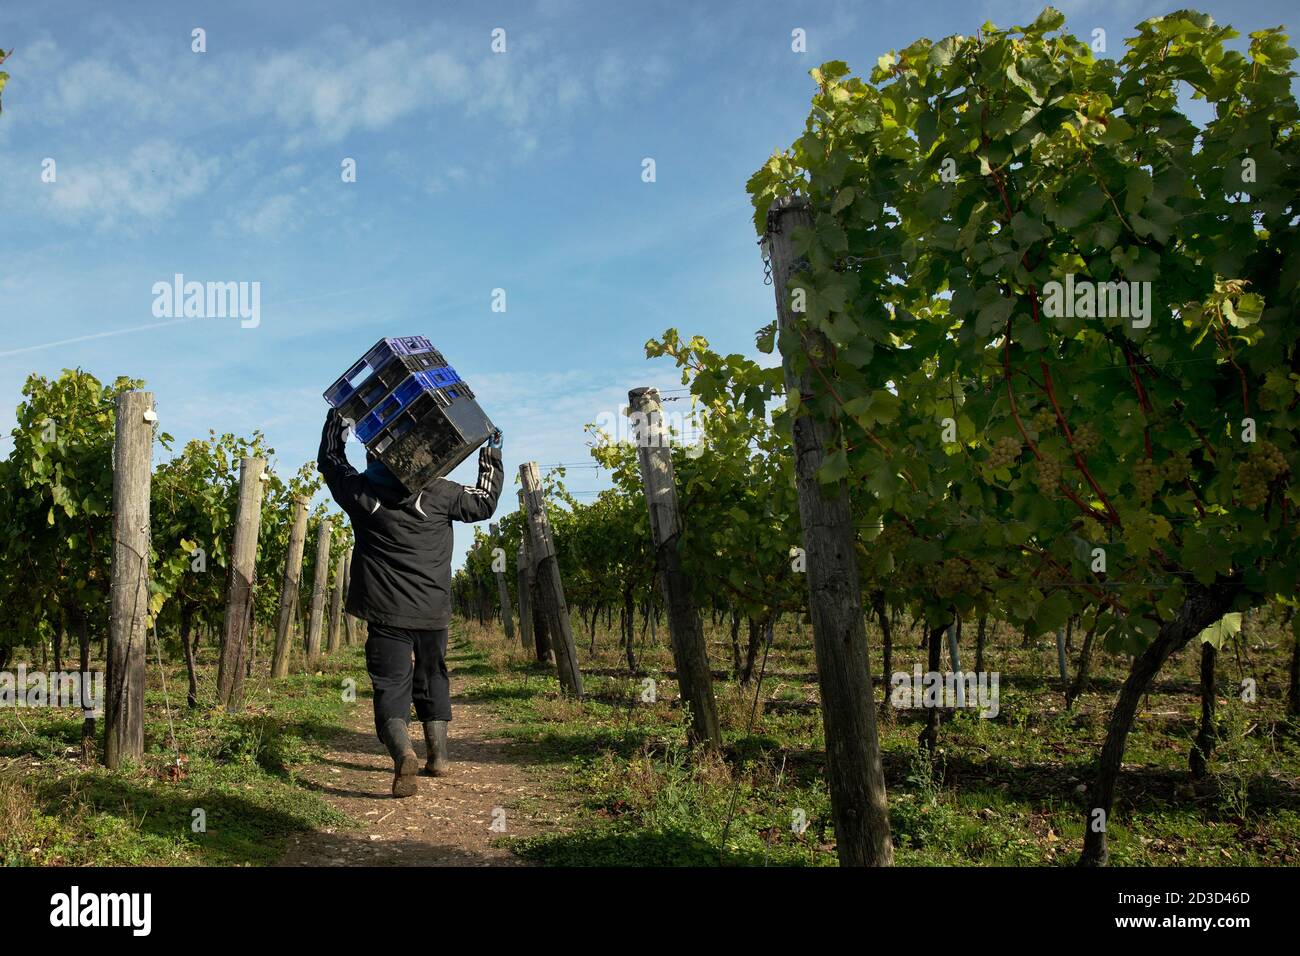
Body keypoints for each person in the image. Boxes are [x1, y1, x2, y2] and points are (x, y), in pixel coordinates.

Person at [317, 407, 503, 797]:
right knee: (433, 675)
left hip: (386, 613)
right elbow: (485, 501)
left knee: (390, 685)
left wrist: (339, 421)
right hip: (433, 611)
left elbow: (331, 462)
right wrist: (492, 452)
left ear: (376, 456)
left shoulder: (361, 492)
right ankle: (439, 756)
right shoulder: (441, 492)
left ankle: (403, 752)